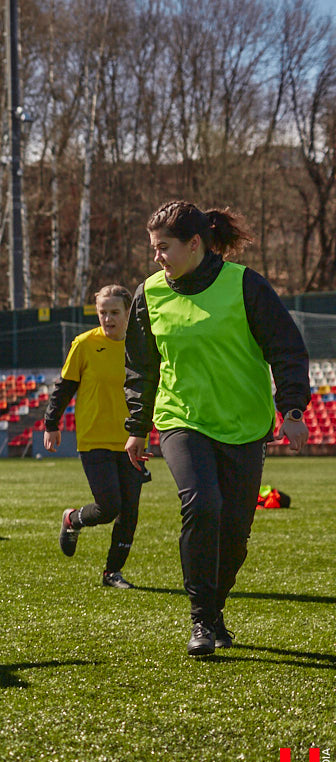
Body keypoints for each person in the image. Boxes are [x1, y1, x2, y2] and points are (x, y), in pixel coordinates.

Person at [126, 201, 310, 656]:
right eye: (153, 249)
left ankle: (216, 607)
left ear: (195, 244)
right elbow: (141, 368)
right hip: (181, 419)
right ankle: (201, 621)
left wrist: (292, 409)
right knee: (202, 505)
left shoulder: (246, 285)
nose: (157, 258)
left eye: (163, 248)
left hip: (244, 424)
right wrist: (137, 425)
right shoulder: (148, 295)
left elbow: (286, 348)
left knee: (235, 531)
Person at [45, 286, 147, 589]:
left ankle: (111, 573)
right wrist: (52, 423)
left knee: (129, 513)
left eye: (114, 312)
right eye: (103, 312)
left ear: (128, 313)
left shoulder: (141, 345)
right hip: (94, 439)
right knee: (109, 507)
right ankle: (72, 519)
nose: (108, 318)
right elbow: (63, 388)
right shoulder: (84, 344)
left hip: (133, 440)